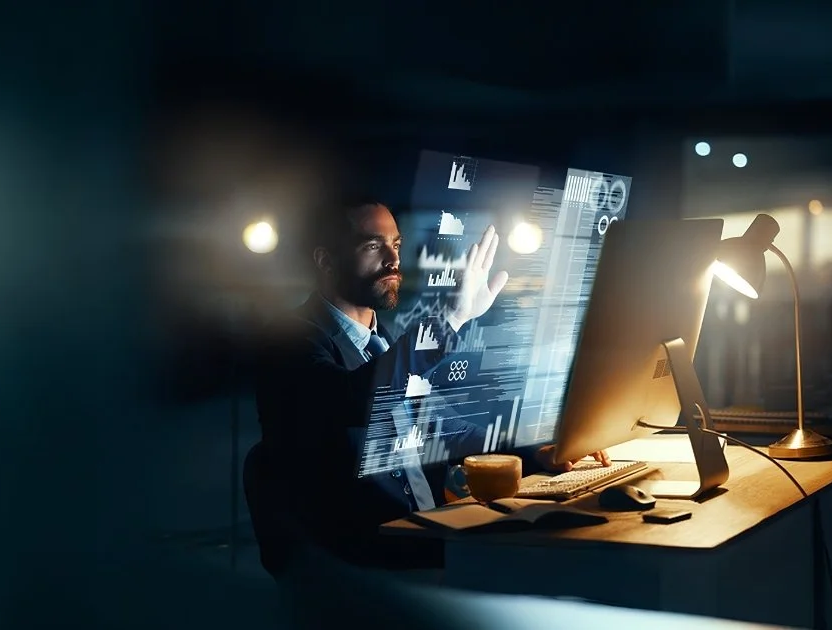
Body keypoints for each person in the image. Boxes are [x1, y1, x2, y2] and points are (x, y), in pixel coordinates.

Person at [253, 199, 608, 572]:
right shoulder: (288, 343)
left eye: (396, 245)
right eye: (373, 246)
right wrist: (449, 319)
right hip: (370, 559)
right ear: (326, 260)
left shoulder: (380, 341)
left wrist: (541, 451)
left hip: (430, 533)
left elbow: (442, 427)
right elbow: (357, 401)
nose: (393, 259)